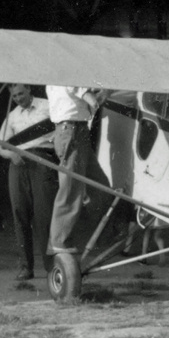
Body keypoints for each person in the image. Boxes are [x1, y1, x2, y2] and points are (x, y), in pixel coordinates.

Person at [0, 84, 57, 280]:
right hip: (18, 164)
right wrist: (11, 154)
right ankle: (26, 267)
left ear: (29, 90)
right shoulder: (13, 115)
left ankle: (52, 267)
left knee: (44, 214)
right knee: (19, 213)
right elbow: (1, 147)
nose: (18, 98)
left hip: (42, 160)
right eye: (14, 96)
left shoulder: (48, 106)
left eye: (21, 93)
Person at [46, 85, 105, 255]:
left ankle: (89, 232)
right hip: (71, 131)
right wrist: (97, 98)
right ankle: (59, 240)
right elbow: (91, 99)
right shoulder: (68, 72)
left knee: (100, 185)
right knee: (70, 189)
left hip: (76, 130)